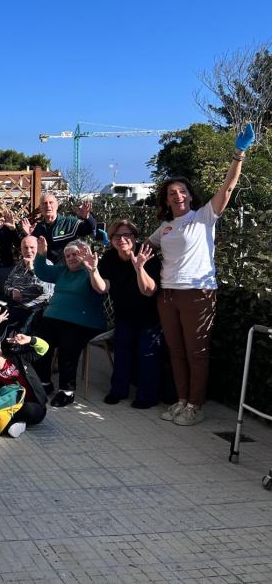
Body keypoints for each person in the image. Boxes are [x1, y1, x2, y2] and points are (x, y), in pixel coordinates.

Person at [148, 124, 255, 425]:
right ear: (166, 200)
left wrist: (239, 153)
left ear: (190, 196)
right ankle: (181, 401)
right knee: (176, 351)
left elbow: (228, 187)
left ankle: (196, 405)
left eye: (182, 191)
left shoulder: (204, 217)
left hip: (198, 293)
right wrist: (113, 242)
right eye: (172, 193)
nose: (178, 195)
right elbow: (142, 247)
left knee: (197, 352)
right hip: (167, 294)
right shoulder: (166, 228)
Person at [84, 220, 162, 408]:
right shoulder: (110, 258)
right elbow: (103, 288)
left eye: (127, 235)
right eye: (117, 236)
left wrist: (140, 268)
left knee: (147, 354)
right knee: (122, 352)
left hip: (149, 315)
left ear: (134, 237)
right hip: (124, 314)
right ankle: (118, 391)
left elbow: (149, 290)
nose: (122, 239)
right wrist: (93, 271)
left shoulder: (146, 254)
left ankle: (147, 397)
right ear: (111, 239)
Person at [33, 238, 106, 407]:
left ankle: (67, 390)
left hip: (83, 322)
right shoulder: (63, 271)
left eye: (75, 254)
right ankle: (44, 382)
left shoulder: (91, 270)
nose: (71, 258)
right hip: (54, 318)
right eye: (68, 255)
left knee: (68, 344)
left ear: (85, 254)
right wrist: (41, 254)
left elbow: (101, 288)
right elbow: (42, 272)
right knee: (39, 341)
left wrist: (92, 270)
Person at [0, 235, 54, 334]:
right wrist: (12, 291)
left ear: (38, 248)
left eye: (32, 247)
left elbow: (46, 290)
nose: (28, 251)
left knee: (22, 329)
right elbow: (7, 284)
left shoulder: (47, 265)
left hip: (36, 307)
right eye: (25, 248)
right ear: (21, 250)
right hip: (16, 305)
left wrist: (32, 271)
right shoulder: (19, 265)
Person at [20, 194, 97, 264]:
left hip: (67, 269)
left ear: (57, 205)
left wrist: (87, 217)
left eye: (51, 202)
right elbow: (31, 250)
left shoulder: (69, 222)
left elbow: (89, 229)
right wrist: (30, 235)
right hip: (46, 270)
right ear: (40, 208)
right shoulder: (37, 228)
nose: (48, 206)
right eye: (44, 203)